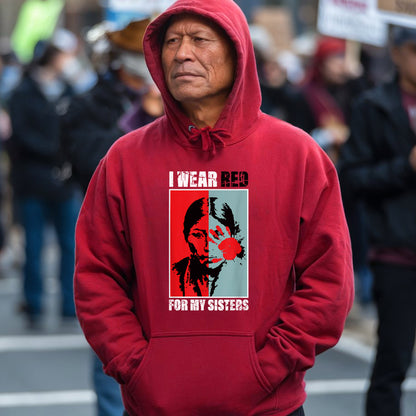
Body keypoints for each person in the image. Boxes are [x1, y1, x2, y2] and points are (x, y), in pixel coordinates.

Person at [74, 1, 354, 415]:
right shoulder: (124, 159)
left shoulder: (297, 154)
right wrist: (136, 365)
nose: (182, 53)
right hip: (156, 404)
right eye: (171, 41)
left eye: (200, 40)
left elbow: (329, 281)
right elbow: (97, 276)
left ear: (237, 52)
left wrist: (271, 364)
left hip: (268, 406)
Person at [62, 18, 163, 416]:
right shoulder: (89, 103)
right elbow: (88, 160)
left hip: (166, 235)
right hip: (115, 231)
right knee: (114, 336)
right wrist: (139, 123)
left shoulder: (177, 96)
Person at [338, 26, 416, 416]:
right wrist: (406, 167)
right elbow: (352, 178)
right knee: (393, 361)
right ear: (397, 53)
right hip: (397, 252)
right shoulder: (374, 105)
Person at [7, 39, 81, 328]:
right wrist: (55, 152)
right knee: (34, 245)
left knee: (69, 246)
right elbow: (21, 135)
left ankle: (68, 304)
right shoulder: (22, 92)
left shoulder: (70, 90)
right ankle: (34, 305)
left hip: (64, 182)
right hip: (33, 179)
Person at [171, 195, 246, 297]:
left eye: (217, 235)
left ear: (231, 236)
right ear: (187, 237)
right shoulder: (172, 274)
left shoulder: (246, 274)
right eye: (198, 235)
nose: (208, 247)